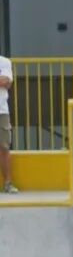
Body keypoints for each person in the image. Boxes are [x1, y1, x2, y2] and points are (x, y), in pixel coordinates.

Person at [0, 52, 16, 194]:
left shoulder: (4, 61)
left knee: (4, 147)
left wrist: (4, 81)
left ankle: (8, 183)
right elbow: (3, 81)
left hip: (2, 111)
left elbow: (7, 82)